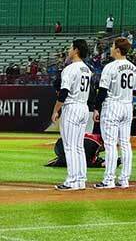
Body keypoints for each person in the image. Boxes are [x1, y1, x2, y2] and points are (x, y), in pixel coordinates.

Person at [92, 37, 136, 189]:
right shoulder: (133, 67)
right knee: (125, 143)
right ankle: (124, 179)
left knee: (110, 144)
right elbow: (135, 88)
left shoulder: (110, 67)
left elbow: (103, 91)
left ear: (117, 50)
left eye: (112, 46)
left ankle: (108, 179)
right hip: (127, 105)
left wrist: (96, 108)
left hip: (113, 106)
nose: (110, 49)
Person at [52, 39, 92, 191]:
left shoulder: (69, 69)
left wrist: (56, 110)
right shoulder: (87, 69)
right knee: (78, 146)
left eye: (70, 48)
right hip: (83, 107)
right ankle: (80, 179)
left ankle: (71, 180)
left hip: (72, 107)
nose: (69, 50)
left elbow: (63, 93)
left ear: (76, 50)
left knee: (69, 146)